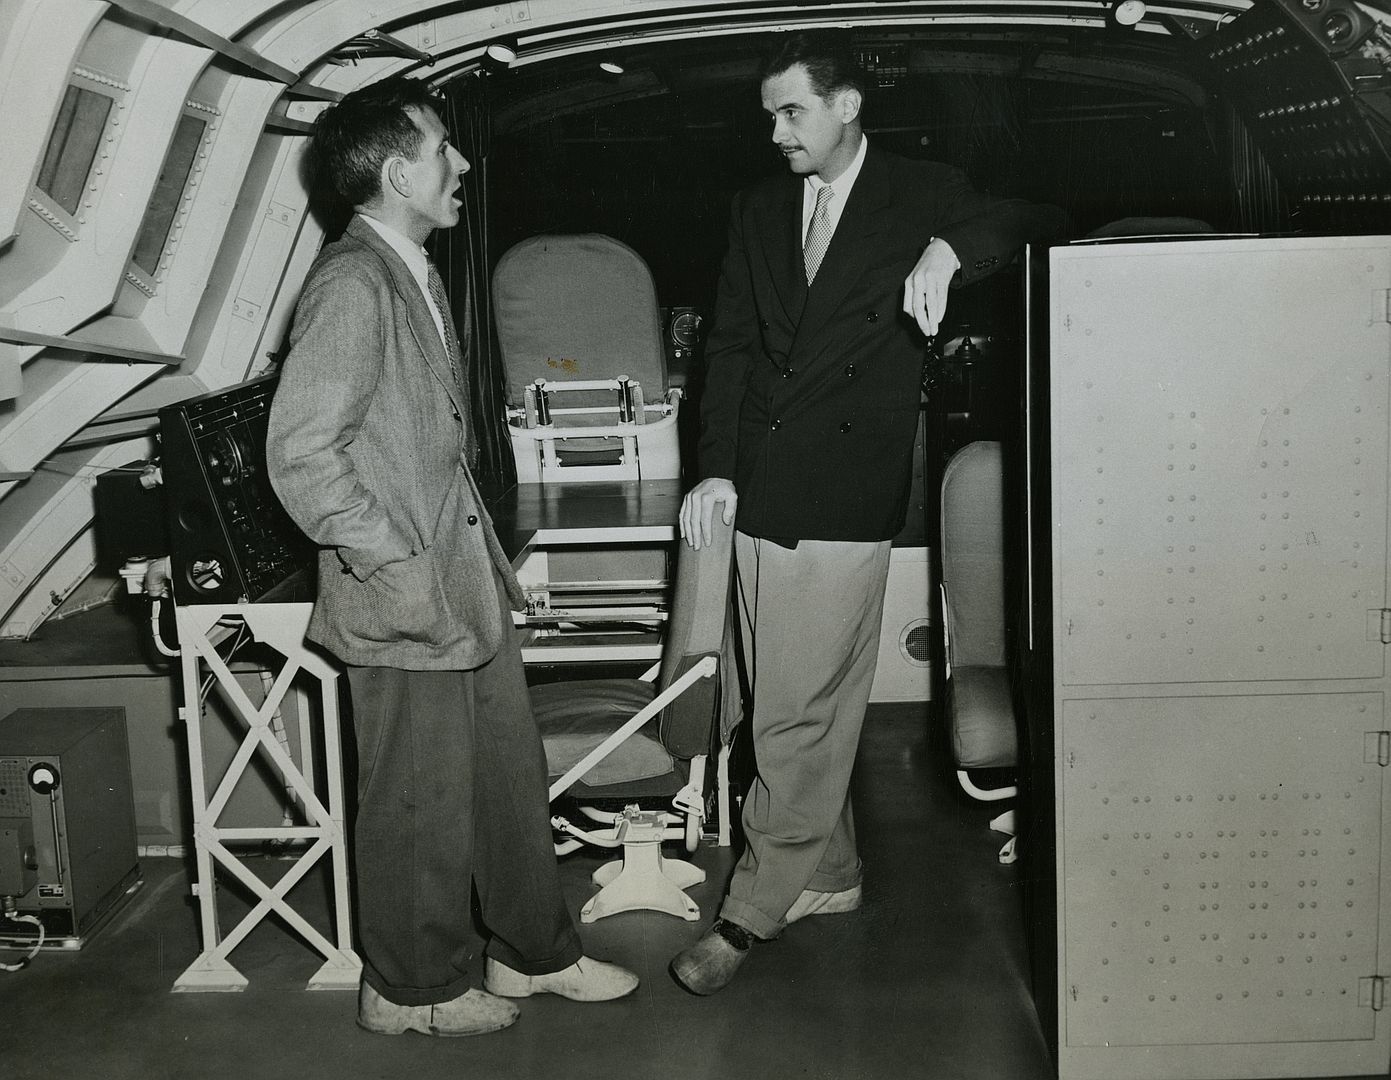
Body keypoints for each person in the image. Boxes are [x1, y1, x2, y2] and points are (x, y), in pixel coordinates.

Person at [672, 32, 1067, 995]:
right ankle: (831, 875)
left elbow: (1037, 214)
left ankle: (754, 909)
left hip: (842, 489)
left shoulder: (921, 192)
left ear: (847, 106)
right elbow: (726, 349)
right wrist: (714, 469)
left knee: (795, 716)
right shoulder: (756, 208)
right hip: (756, 489)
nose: (774, 133)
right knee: (782, 700)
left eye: (791, 112)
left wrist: (947, 247)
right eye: (769, 114)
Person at [266, 78, 637, 1036]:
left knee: (507, 785)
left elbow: (423, 446)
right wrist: (396, 559)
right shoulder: (353, 283)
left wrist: (481, 572)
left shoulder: (410, 272)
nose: (461, 164)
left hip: (463, 589)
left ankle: (531, 957)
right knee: (418, 804)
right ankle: (410, 989)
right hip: (403, 598)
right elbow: (302, 453)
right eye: (442, 149)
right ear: (396, 173)